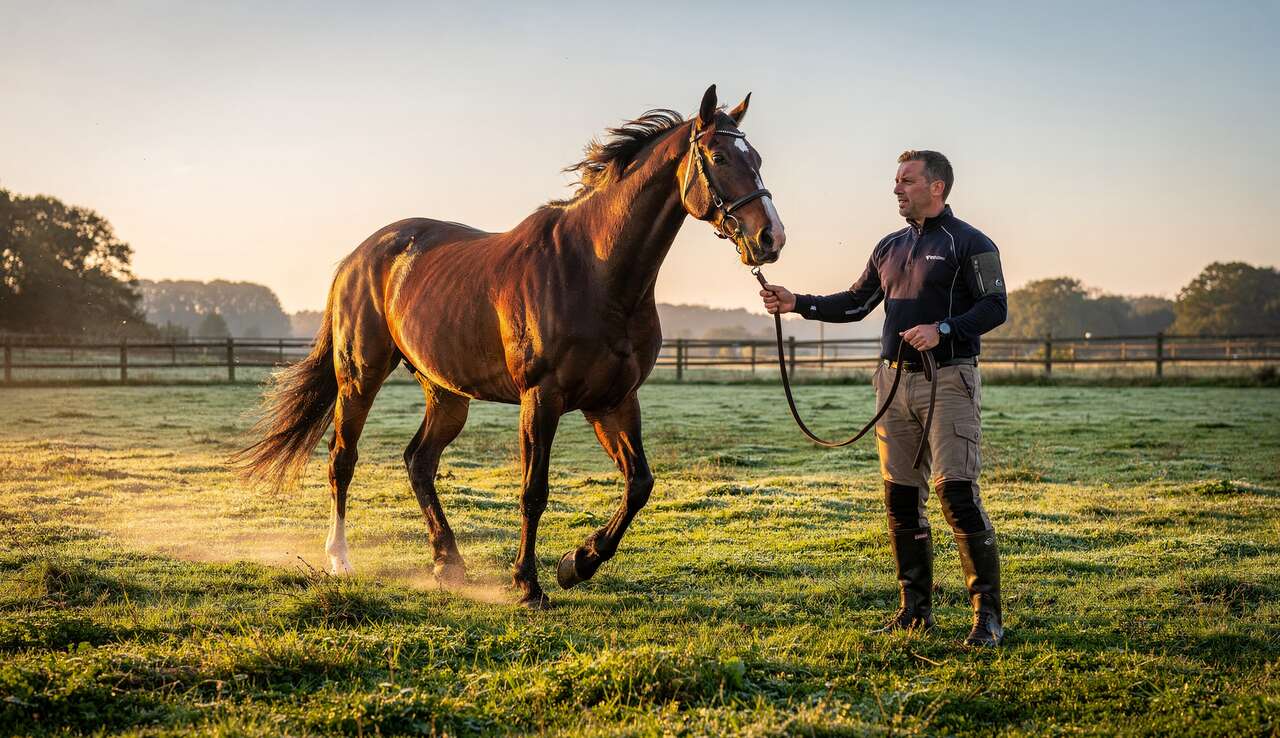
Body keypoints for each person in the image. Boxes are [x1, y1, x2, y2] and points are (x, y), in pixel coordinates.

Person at [760, 150, 1009, 646]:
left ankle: (987, 618)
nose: (897, 189)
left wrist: (944, 328)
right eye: (896, 181)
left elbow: (996, 306)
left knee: (955, 492)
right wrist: (798, 304)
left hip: (949, 379)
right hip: (891, 383)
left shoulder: (972, 243)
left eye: (907, 181)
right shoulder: (889, 247)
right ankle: (914, 611)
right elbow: (856, 304)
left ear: (937, 187)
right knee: (900, 497)